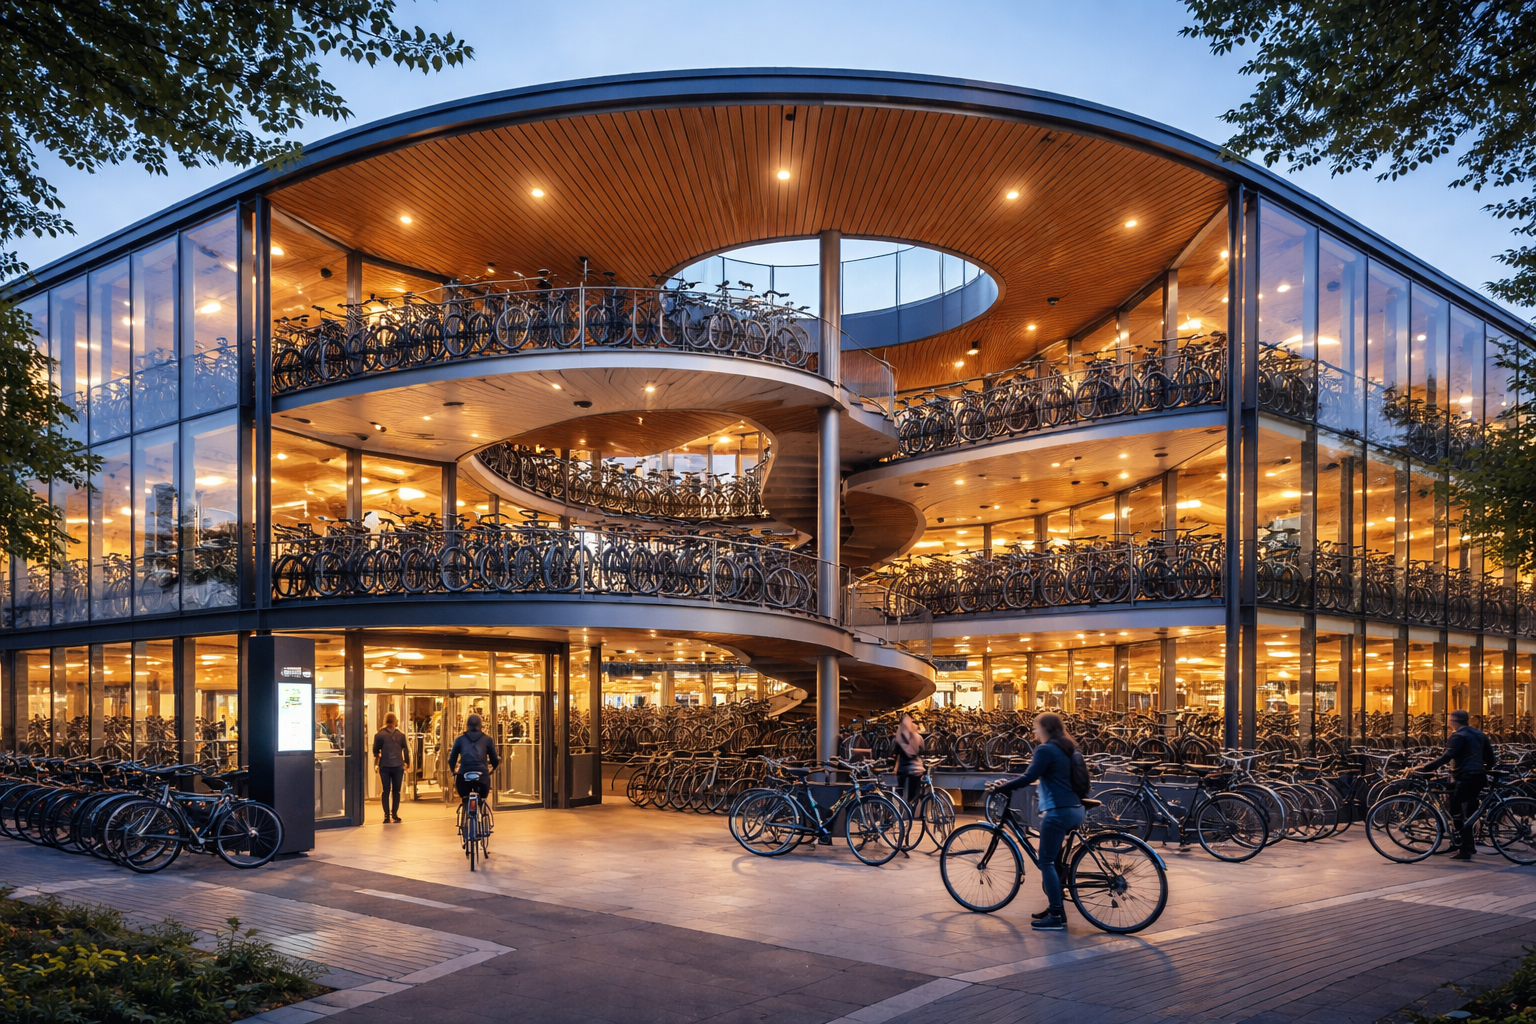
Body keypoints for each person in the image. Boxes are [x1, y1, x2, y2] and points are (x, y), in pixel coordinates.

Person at [985, 712, 1085, 931]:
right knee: (1056, 862)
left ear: (1046, 729)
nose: (1034, 731)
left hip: (1058, 812)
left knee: (1046, 862)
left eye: (1036, 727)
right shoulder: (1068, 747)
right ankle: (1055, 907)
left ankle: (1056, 916)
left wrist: (1002, 787)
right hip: (1076, 808)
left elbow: (1029, 777)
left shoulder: (1046, 749)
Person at [1415, 709, 1497, 860]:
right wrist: (1483, 768)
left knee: (1455, 810)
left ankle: (1464, 846)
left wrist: (1427, 768)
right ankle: (1466, 844)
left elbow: (1448, 755)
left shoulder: (1458, 735)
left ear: (1453, 721)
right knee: (1469, 812)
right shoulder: (1479, 734)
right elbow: (1491, 758)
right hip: (1478, 777)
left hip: (1465, 777)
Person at [448, 713, 500, 809]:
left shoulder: (460, 739)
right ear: (481, 725)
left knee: (464, 796)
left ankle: (465, 811)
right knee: (483, 796)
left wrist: (453, 771)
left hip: (464, 773)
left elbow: (452, 758)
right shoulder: (487, 740)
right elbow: (494, 759)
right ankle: (481, 810)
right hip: (482, 774)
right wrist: (493, 768)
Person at [372, 712, 409, 823]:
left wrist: (378, 757)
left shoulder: (379, 735)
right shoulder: (401, 735)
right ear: (395, 721)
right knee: (396, 791)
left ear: (385, 721)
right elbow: (406, 749)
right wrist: (407, 763)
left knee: (385, 791)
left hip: (384, 766)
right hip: (398, 765)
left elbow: (375, 751)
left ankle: (386, 815)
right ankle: (395, 814)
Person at [893, 713, 925, 809]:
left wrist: (895, 767)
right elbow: (922, 752)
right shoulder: (918, 737)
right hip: (916, 768)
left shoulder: (898, 738)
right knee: (914, 793)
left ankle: (901, 808)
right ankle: (911, 808)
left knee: (899, 790)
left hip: (903, 768)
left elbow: (897, 755)